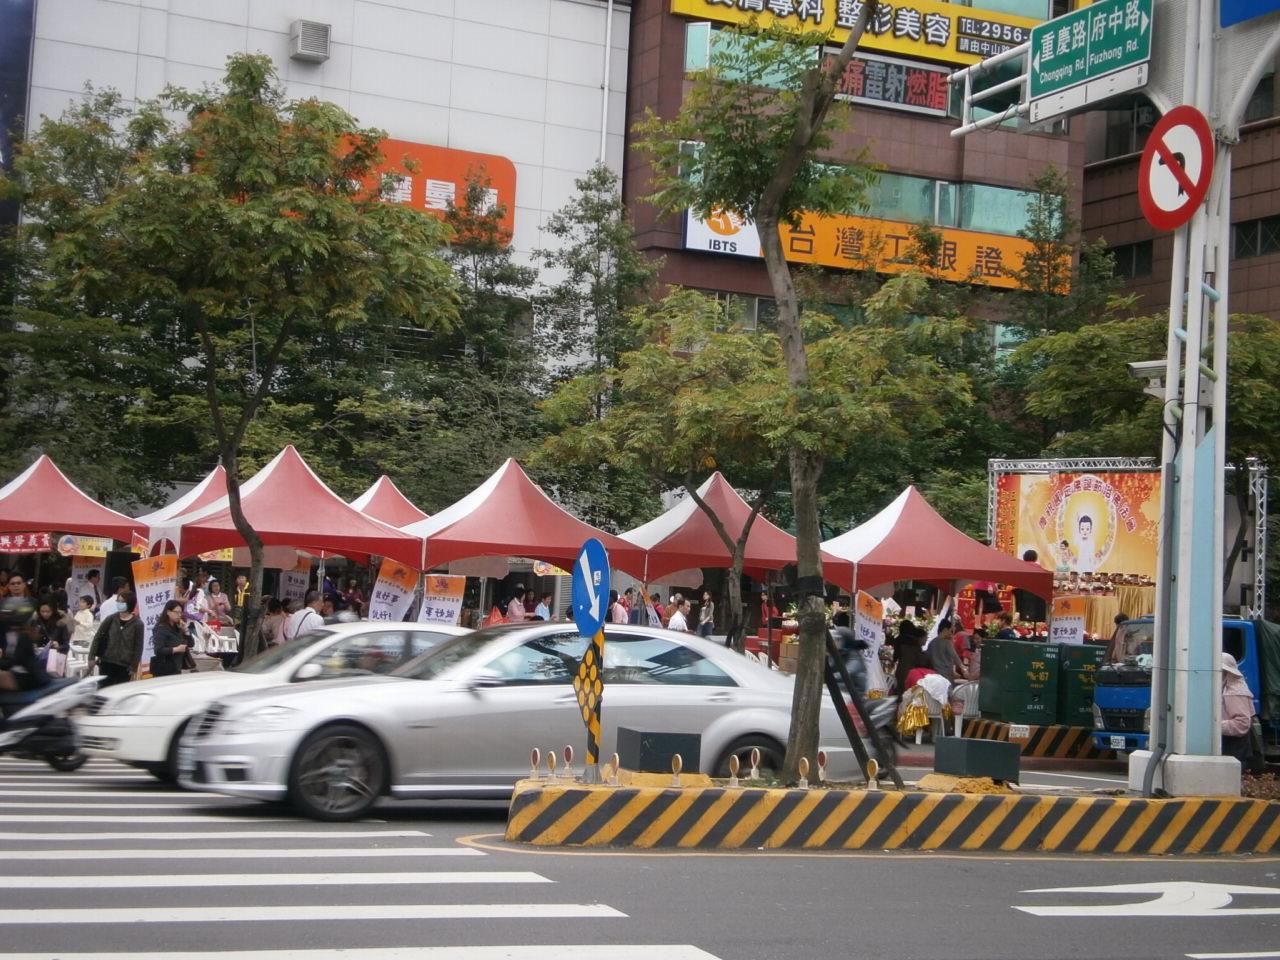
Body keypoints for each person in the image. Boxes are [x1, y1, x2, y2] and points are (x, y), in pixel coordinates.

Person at [88, 591, 143, 686]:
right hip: (106, 662)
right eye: (118, 601)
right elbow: (98, 637)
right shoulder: (111, 619)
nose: (119, 604)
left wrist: (134, 666)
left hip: (124, 665)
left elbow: (138, 646)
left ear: (129, 603)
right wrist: (91, 657)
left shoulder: (138, 624)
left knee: (120, 690)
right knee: (104, 689)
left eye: (122, 602)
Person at [1221, 653, 1257, 767]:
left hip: (1234, 745)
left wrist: (1214, 727)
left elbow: (1242, 724)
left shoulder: (1234, 692)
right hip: (1231, 743)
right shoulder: (1228, 687)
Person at [149, 600, 192, 677]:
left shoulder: (178, 627)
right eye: (176, 612)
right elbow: (158, 650)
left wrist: (186, 630)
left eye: (180, 612)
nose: (179, 615)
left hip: (176, 668)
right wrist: (176, 649)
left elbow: (191, 644)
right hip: (165, 670)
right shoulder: (161, 628)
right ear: (168, 612)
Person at [30, 599, 70, 675]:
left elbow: (66, 646)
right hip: (38, 660)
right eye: (42, 611)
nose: (45, 614)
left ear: (53, 611)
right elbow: (28, 640)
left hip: (54, 661)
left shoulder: (60, 623)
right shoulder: (35, 622)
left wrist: (58, 646)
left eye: (48, 611)